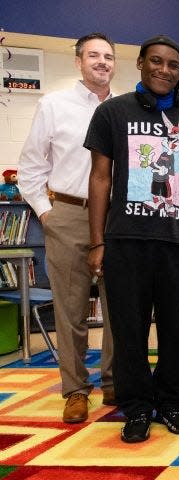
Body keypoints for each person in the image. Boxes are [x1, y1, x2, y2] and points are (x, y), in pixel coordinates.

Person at [85, 35, 179, 443]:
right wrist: (97, 242)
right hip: (126, 241)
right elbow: (100, 177)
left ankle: (170, 401)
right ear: (141, 64)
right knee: (129, 331)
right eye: (156, 62)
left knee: (177, 332)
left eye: (173, 65)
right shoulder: (113, 113)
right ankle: (138, 407)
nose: (164, 70)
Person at [17, 32, 117, 423]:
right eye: (94, 55)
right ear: (78, 61)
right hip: (69, 215)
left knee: (119, 307)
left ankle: (114, 381)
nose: (102, 62)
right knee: (70, 309)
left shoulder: (127, 108)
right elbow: (30, 169)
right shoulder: (54, 105)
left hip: (117, 218)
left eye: (108, 56)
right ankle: (75, 389)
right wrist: (47, 214)